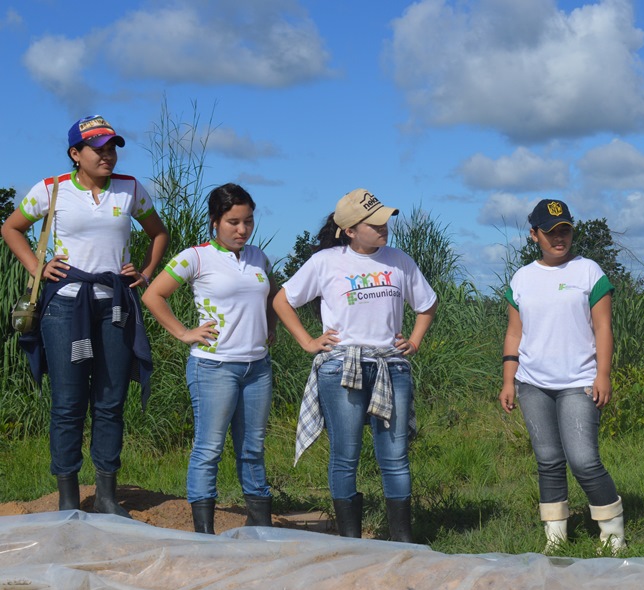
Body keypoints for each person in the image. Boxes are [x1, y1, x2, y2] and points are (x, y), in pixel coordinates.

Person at [1, 115, 169, 515]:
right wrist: (37, 268)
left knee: (110, 401)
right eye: (98, 148)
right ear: (76, 154)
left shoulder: (129, 189)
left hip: (114, 306)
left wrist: (144, 273)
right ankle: (68, 498)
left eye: (111, 147)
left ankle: (108, 496)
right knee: (68, 402)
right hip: (64, 307)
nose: (107, 155)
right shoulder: (52, 189)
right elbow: (12, 228)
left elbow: (158, 233)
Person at [274, 189, 437, 542]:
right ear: (349, 230)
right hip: (341, 368)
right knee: (346, 454)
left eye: (385, 220)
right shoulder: (326, 262)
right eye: (374, 222)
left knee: (394, 455)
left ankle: (402, 540)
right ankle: (351, 539)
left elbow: (427, 304)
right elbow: (282, 300)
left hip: (390, 367)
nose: (384, 227)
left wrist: (416, 339)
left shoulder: (399, 260)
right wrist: (308, 342)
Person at [142, 183, 276, 534]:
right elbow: (154, 295)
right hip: (214, 367)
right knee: (209, 448)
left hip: (257, 368)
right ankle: (204, 533)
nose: (242, 229)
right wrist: (185, 332)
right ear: (215, 221)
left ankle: (260, 525)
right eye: (233, 222)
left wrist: (270, 326)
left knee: (253, 448)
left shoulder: (259, 257)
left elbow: (271, 294)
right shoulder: (195, 257)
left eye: (248, 221)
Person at [500, 199, 625, 554]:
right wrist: (509, 380)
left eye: (565, 230)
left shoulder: (589, 272)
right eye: (551, 232)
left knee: (584, 460)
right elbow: (514, 333)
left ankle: (613, 532)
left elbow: (604, 328)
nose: (560, 238)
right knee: (548, 460)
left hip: (579, 381)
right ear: (534, 235)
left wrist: (603, 375)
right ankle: (556, 537)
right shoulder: (522, 278)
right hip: (532, 383)